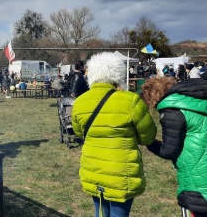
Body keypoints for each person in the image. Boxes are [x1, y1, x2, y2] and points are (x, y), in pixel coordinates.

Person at [71, 52, 157, 217]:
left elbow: (79, 132)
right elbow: (148, 137)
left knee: (100, 212)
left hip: (93, 169)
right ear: (117, 73)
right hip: (121, 173)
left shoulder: (80, 102)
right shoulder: (131, 100)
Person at [141, 77, 207, 216]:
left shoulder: (172, 111)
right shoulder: (198, 101)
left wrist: (149, 142)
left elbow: (169, 150)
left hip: (197, 182)